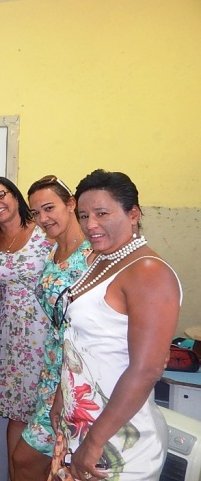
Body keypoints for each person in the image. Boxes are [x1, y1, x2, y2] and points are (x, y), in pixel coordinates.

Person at [50, 170, 181, 481]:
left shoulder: (148, 272)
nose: (90, 224)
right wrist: (61, 396)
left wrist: (95, 441)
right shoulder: (101, 259)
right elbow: (82, 341)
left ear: (133, 214)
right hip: (82, 421)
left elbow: (147, 369)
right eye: (84, 215)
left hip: (118, 440)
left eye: (102, 213)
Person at [12, 176, 93, 480]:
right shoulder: (54, 250)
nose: (43, 218)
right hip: (51, 370)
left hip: (77, 373)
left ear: (71, 204)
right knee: (54, 464)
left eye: (49, 208)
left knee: (26, 458)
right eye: (36, 213)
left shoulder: (91, 255)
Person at [0, 176, 52, 479]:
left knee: (46, 411)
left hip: (44, 332)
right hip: (9, 335)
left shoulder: (44, 232)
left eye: (1, 195)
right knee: (17, 413)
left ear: (15, 196)